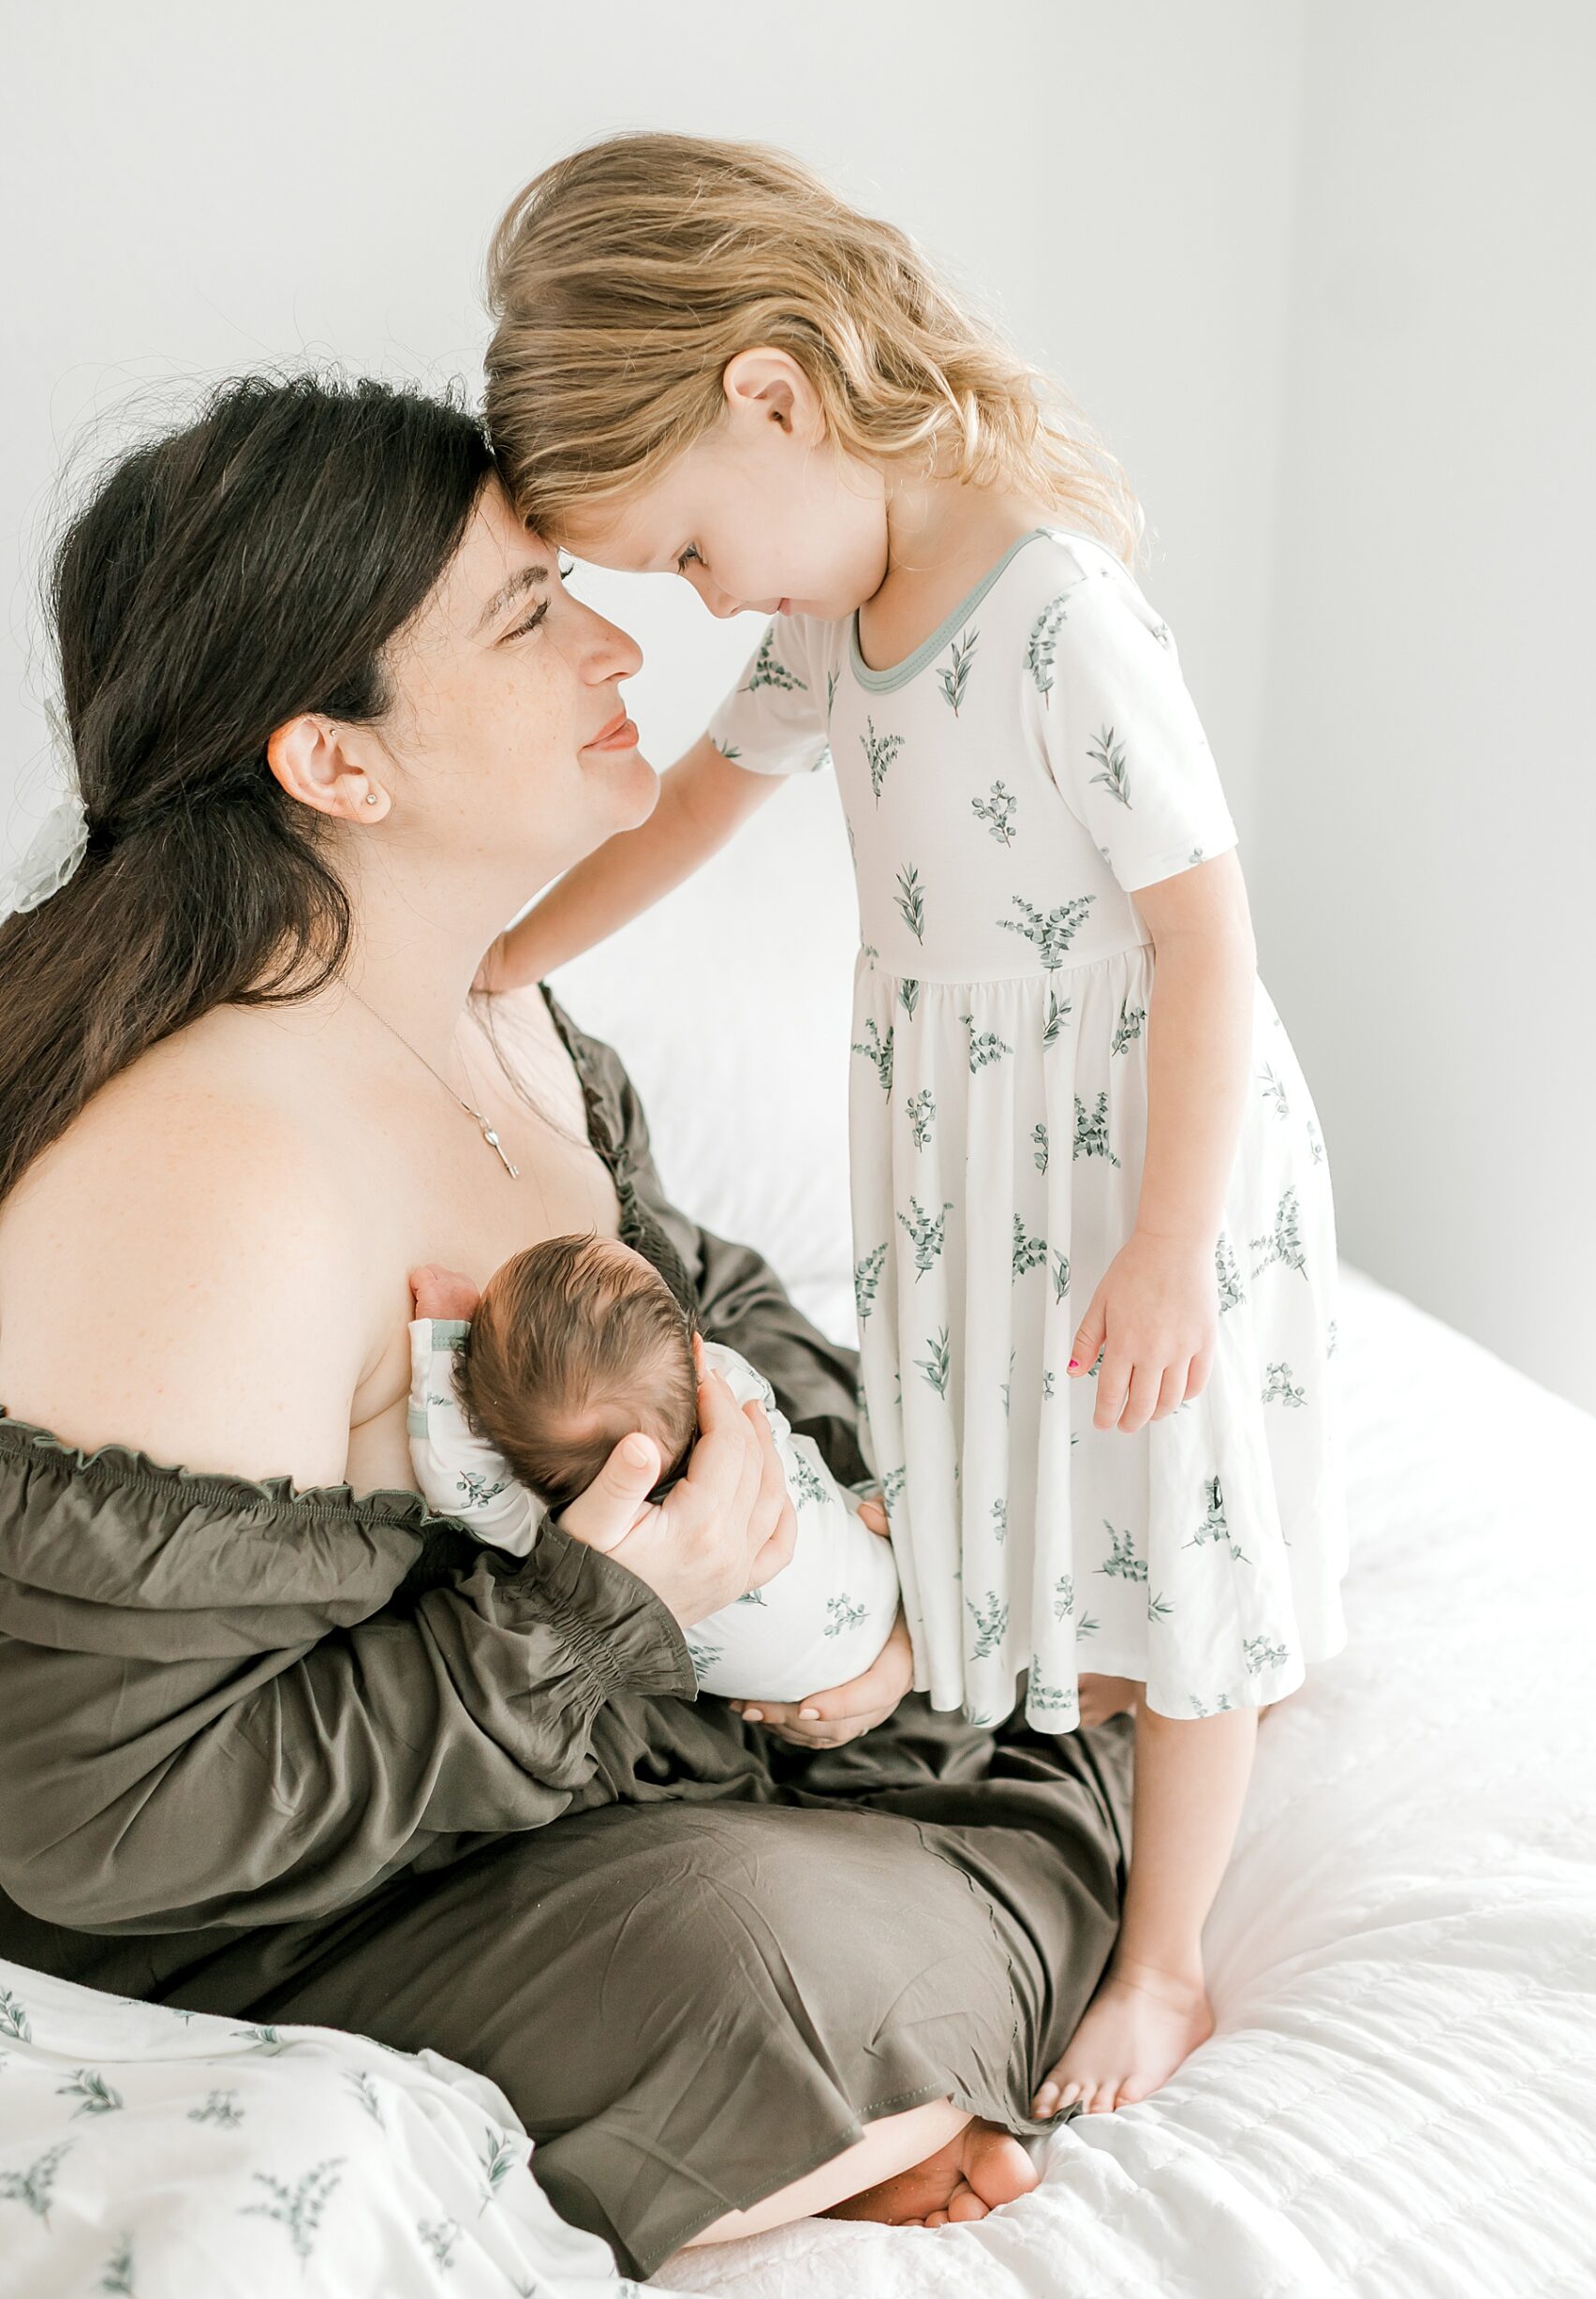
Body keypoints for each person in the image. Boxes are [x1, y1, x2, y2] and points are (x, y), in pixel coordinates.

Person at [0, 372, 1137, 2280]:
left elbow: (695, 1289)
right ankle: (815, 2093)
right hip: (264, 1885)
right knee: (759, 1960)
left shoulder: (488, 994)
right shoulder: (220, 1176)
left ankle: (860, 2063)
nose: (622, 634)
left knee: (1051, 1712)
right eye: (530, 614)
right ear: (334, 763)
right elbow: (97, 1815)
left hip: (531, 1772)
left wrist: (867, 1540)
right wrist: (600, 1627)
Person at [477, 132, 1349, 2120]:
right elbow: (700, 804)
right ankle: (1113, 1661)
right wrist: (494, 958)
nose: (701, 599)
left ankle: (1168, 1959)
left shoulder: (1052, 606)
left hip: (1141, 1144)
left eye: (691, 548)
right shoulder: (833, 618)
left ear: (774, 395)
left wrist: (1162, 1246)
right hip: (982, 1152)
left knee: (1177, 1502)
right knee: (1035, 1466)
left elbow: (1205, 935)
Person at [406, 1239, 902, 1698]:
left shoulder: (570, 1549)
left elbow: (458, 1480)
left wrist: (448, 1342)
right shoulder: (732, 1389)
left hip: (808, 1686)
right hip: (880, 1568)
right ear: (695, 1350)